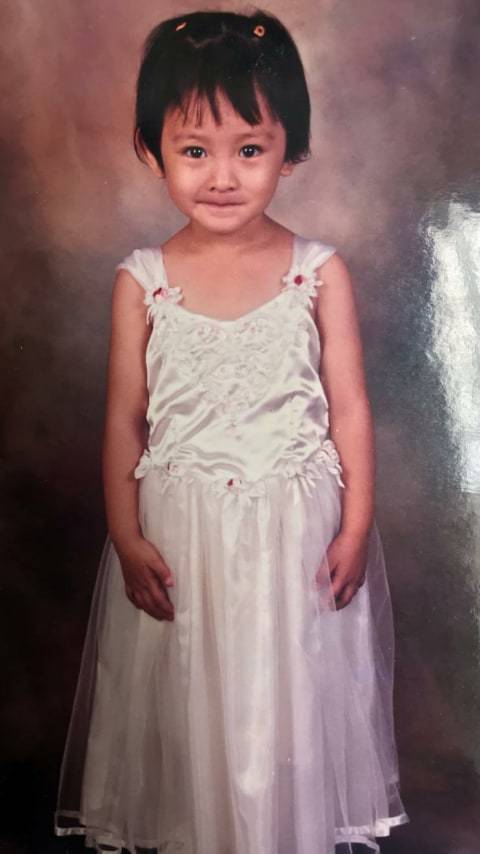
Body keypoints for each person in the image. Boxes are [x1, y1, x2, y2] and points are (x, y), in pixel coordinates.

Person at [54, 9, 410, 854]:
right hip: (184, 540)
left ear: (290, 150)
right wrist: (125, 535)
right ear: (152, 152)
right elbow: (124, 419)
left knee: (285, 703)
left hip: (294, 540)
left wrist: (356, 525)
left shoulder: (318, 274)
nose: (222, 176)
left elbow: (350, 407)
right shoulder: (142, 281)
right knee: (192, 710)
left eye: (250, 149)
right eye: (194, 150)